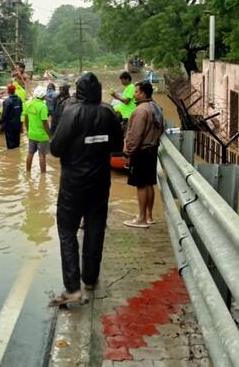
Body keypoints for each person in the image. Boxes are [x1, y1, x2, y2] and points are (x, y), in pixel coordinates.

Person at [49, 72, 122, 306]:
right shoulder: (108, 112)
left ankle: (72, 287)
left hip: (73, 183)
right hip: (100, 181)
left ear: (78, 90)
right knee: (95, 227)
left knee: (67, 229)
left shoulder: (72, 112)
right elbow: (117, 145)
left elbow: (56, 149)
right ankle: (90, 279)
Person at [123, 81, 165, 228]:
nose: (134, 94)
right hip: (152, 150)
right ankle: (149, 216)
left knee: (141, 185)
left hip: (141, 152)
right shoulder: (156, 107)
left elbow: (135, 135)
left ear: (143, 94)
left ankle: (141, 218)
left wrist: (128, 151)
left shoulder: (141, 110)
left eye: (137, 92)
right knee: (149, 184)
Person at [23, 85, 51, 174]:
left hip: (31, 134)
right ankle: (43, 176)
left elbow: (26, 119)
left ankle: (28, 172)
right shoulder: (43, 106)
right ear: (42, 96)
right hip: (42, 136)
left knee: (30, 153)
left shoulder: (28, 104)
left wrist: (28, 130)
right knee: (42, 155)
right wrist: (50, 135)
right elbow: (45, 123)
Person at [1, 84, 23, 149]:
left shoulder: (6, 101)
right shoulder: (19, 100)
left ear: (8, 91)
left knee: (10, 146)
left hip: (9, 125)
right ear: (14, 91)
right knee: (17, 143)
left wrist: (1, 122)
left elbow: (4, 114)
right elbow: (21, 110)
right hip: (17, 124)